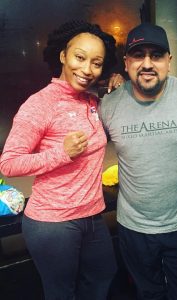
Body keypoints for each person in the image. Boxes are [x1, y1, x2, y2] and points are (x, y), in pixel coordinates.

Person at [0, 20, 122, 300]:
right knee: (61, 293)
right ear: (63, 56)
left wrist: (120, 82)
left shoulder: (91, 101)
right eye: (80, 57)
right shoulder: (39, 104)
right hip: (52, 223)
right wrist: (61, 154)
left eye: (96, 63)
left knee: (104, 274)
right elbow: (9, 163)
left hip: (92, 216)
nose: (86, 69)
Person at [101, 22, 177, 300]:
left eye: (156, 55)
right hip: (133, 227)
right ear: (127, 62)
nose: (147, 63)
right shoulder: (109, 105)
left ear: (169, 60)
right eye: (138, 55)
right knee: (147, 292)